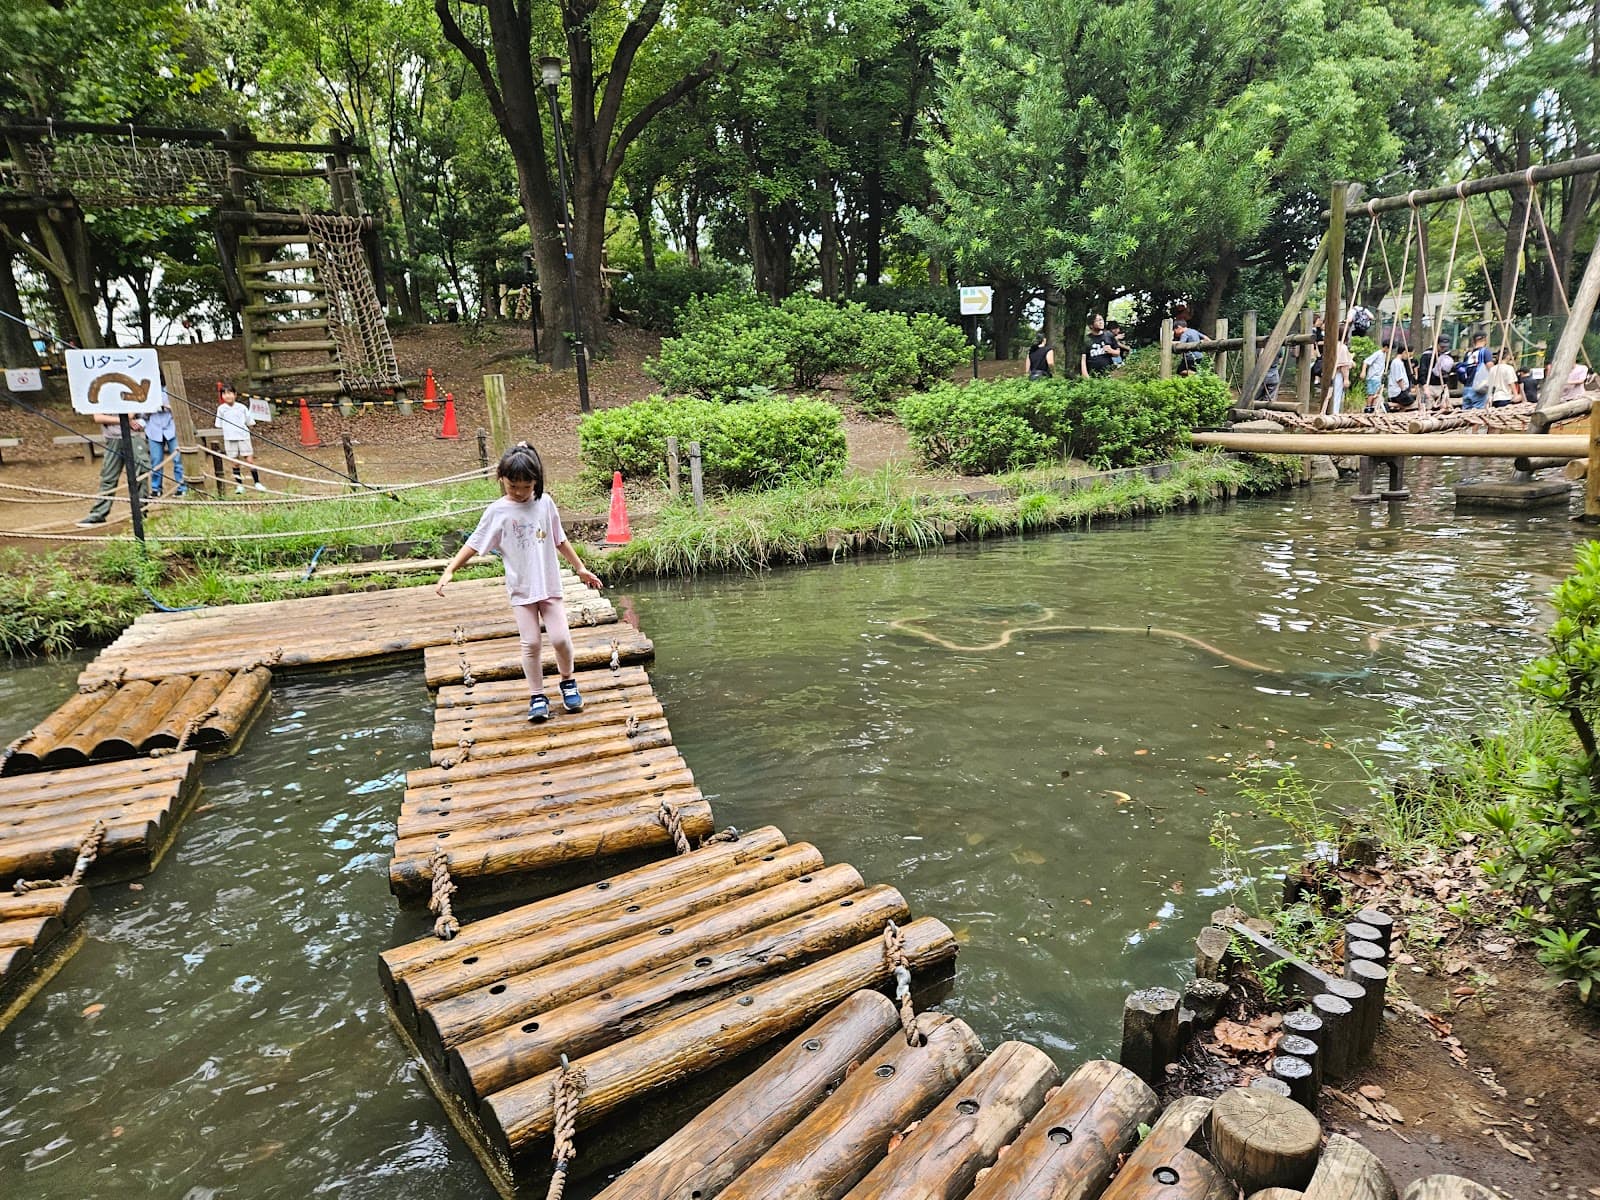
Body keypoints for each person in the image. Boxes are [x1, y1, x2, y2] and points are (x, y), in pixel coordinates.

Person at [436, 444, 605, 723]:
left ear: (535, 481)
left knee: (561, 638)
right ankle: (537, 695)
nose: (519, 492)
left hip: (549, 585)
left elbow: (559, 538)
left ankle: (567, 681)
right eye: (513, 486)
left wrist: (581, 568)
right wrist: (451, 569)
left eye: (525, 487)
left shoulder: (545, 503)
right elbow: (474, 542)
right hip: (522, 589)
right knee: (531, 643)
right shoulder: (497, 511)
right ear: (502, 478)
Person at [74, 409, 151, 527]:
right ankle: (98, 514)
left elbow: (130, 414)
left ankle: (140, 514)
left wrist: (120, 420)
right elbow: (98, 417)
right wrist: (123, 420)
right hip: (112, 439)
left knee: (139, 476)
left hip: (133, 437)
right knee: (108, 477)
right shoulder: (101, 396)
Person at [216, 384, 264, 493]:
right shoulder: (221, 409)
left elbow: (249, 422)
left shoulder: (242, 407)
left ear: (235, 394)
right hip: (229, 438)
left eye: (229, 393)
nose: (227, 396)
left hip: (243, 437)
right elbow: (219, 424)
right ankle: (239, 485)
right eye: (224, 394)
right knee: (235, 462)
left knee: (249, 461)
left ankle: (257, 483)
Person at [145, 389, 186, 498]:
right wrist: (151, 408)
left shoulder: (170, 389)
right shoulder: (146, 390)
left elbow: (181, 409)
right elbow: (141, 413)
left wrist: (167, 406)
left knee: (178, 459)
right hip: (153, 429)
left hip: (171, 428)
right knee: (156, 460)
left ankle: (182, 487)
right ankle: (156, 488)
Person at [1460, 333, 1494, 410]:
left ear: (1473, 341)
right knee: (1479, 414)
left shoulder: (1468, 354)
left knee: (1466, 413)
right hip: (1479, 388)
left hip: (1467, 388)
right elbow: (1490, 367)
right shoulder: (1485, 352)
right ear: (1485, 340)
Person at [1361, 340, 1389, 412]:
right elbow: (1366, 361)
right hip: (1373, 377)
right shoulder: (1378, 353)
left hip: (1378, 377)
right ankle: (1368, 407)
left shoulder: (1384, 354)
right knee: (1371, 393)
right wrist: (1363, 372)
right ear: (1386, 347)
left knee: (1376, 393)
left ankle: (1373, 407)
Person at [1386, 345, 1415, 410]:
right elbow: (1399, 378)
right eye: (1408, 355)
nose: (1408, 357)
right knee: (1412, 404)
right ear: (1404, 352)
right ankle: (1389, 404)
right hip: (1398, 390)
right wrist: (1403, 390)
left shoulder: (1397, 362)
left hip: (1397, 389)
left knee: (1411, 402)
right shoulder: (1397, 363)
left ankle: (1392, 406)